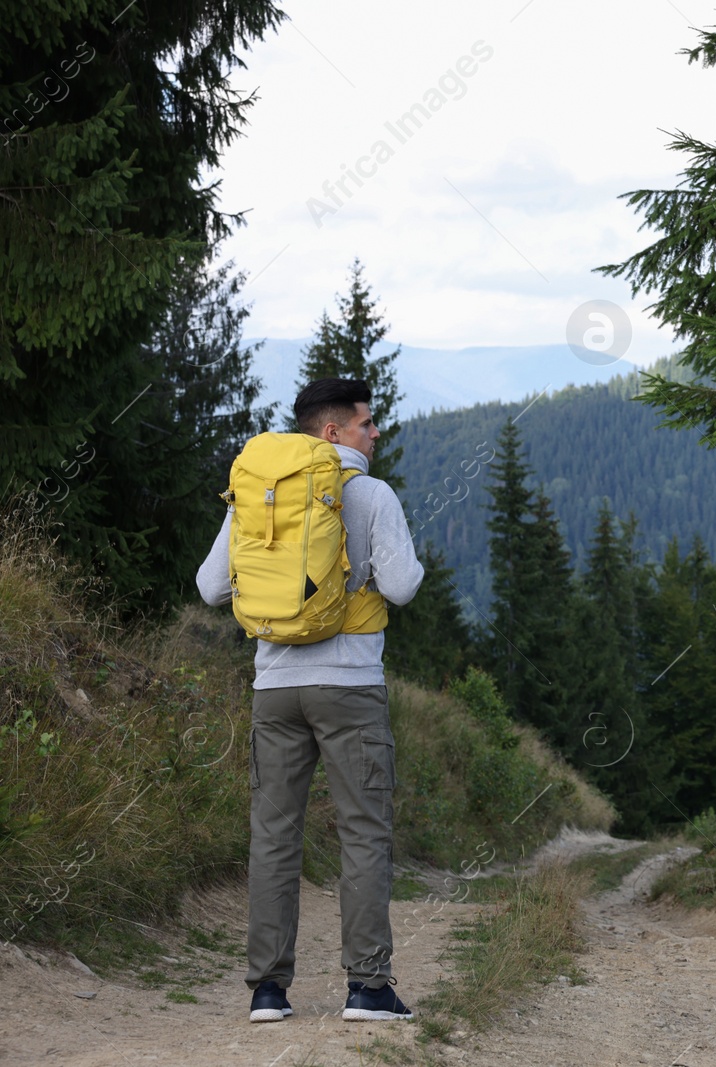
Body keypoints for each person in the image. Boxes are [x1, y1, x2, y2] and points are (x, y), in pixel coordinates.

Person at [196, 378, 425, 1024]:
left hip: (274, 686)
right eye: (365, 423)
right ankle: (368, 987)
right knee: (363, 832)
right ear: (331, 432)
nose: (375, 432)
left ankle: (268, 989)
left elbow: (211, 585)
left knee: (273, 836)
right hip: (350, 684)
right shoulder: (373, 495)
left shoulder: (262, 491)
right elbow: (404, 587)